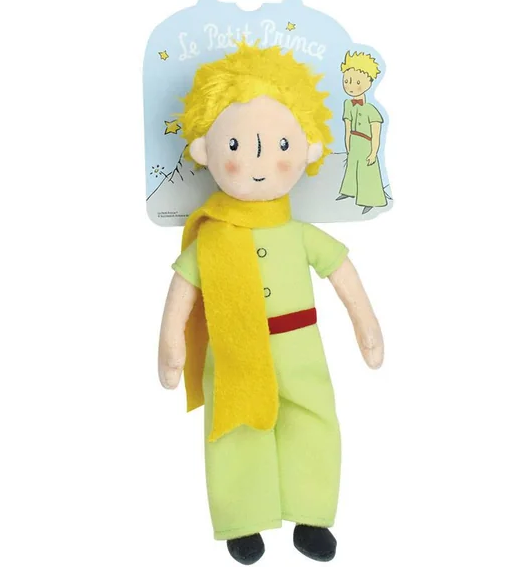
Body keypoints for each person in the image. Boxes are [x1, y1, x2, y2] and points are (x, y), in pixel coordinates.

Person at [157, 42, 384, 565]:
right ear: (204, 149)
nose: (258, 162)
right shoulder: (209, 240)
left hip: (300, 348)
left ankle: (311, 513)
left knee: (313, 418)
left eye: (280, 143)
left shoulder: (300, 235)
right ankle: (243, 520)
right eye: (237, 144)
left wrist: (367, 329)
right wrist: (171, 349)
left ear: (308, 147)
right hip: (234, 349)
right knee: (235, 426)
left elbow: (343, 275)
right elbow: (181, 293)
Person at [337, 51, 388, 214]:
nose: (350, 86)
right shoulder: (347, 104)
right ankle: (349, 190)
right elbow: (347, 127)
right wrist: (347, 145)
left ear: (369, 81)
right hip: (354, 142)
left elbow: (376, 134)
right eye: (347, 81)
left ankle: (371, 199)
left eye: (357, 82)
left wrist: (373, 152)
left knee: (367, 171)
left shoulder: (372, 110)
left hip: (366, 144)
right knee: (352, 167)